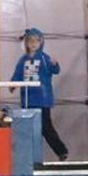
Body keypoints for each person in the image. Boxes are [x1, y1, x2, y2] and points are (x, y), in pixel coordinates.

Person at [13, 28, 67, 159]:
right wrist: (13, 84)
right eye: (30, 41)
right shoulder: (23, 60)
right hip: (27, 100)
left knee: (45, 126)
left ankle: (61, 151)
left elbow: (55, 70)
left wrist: (55, 64)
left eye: (36, 41)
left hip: (42, 99)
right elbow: (18, 74)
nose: (33, 44)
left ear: (41, 43)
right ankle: (29, 156)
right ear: (26, 43)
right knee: (28, 127)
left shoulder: (44, 58)